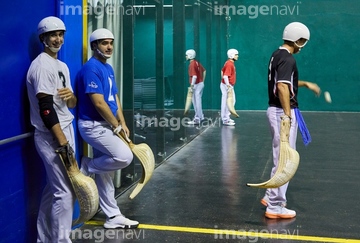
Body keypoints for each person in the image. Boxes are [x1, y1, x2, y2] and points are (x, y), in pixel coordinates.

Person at [76, 28, 139, 229]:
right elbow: (99, 103)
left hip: (107, 125)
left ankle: (112, 216)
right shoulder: (90, 69)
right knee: (124, 157)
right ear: (94, 46)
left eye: (111, 42)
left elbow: (114, 98)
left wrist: (123, 122)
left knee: (106, 175)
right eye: (104, 43)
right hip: (93, 126)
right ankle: (87, 166)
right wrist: (116, 126)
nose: (109, 46)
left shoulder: (108, 68)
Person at [261, 22, 321, 219]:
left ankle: (271, 196)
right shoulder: (288, 59)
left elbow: (288, 83)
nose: (303, 46)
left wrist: (306, 84)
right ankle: (275, 206)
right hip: (282, 112)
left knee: (281, 156)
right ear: (299, 40)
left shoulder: (277, 54)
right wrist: (287, 115)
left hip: (278, 110)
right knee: (285, 159)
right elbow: (282, 87)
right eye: (303, 42)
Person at [26, 16, 77, 242]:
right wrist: (63, 143)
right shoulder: (40, 66)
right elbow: (46, 110)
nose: (58, 39)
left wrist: (72, 97)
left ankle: (44, 238)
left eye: (60, 35)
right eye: (53, 35)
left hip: (67, 129)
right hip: (52, 137)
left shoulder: (62, 65)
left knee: (55, 190)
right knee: (65, 193)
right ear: (43, 38)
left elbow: (71, 104)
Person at [185, 49, 206, 125]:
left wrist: (192, 86)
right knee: (198, 102)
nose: (186, 56)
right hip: (200, 84)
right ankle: (201, 117)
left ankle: (197, 118)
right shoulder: (197, 63)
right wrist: (202, 81)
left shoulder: (192, 64)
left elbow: (194, 76)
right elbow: (204, 71)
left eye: (186, 55)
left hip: (196, 85)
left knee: (196, 102)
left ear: (190, 55)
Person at [220, 49, 239, 126]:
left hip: (227, 85)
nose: (237, 56)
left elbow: (222, 71)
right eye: (236, 54)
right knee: (226, 102)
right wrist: (227, 85)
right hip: (227, 85)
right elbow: (225, 75)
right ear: (231, 55)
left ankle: (226, 117)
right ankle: (225, 119)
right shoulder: (229, 64)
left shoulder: (229, 63)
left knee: (231, 101)